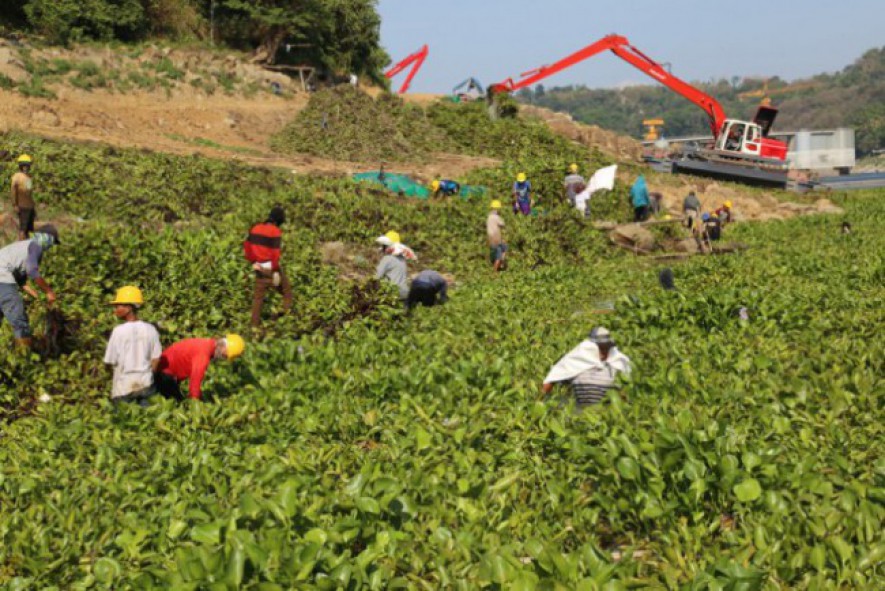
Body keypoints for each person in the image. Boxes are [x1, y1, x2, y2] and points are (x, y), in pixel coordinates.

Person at [541, 327, 632, 411]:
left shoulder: (616, 364)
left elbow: (626, 390)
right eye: (601, 348)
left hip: (607, 412)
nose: (604, 352)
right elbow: (552, 378)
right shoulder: (576, 362)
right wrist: (541, 402)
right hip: (581, 412)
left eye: (606, 348)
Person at [0, 224, 59, 348]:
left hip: (3, 277)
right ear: (47, 238)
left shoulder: (24, 247)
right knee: (19, 318)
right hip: (2, 275)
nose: (51, 246)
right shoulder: (35, 246)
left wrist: (35, 296)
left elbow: (21, 282)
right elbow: (32, 271)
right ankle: (24, 358)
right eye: (52, 242)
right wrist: (48, 291)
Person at [103, 286, 162, 406]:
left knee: (124, 422)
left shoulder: (118, 331)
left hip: (124, 387)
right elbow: (156, 359)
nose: (116, 309)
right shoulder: (151, 329)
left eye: (118, 305)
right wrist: (149, 375)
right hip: (146, 384)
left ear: (129, 307)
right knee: (149, 421)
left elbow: (109, 361)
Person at [155, 335, 245, 401]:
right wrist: (195, 405)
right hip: (164, 373)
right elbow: (195, 381)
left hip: (166, 370)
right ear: (223, 347)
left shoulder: (208, 343)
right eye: (225, 355)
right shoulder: (203, 355)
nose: (223, 358)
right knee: (177, 405)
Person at [244, 206, 293, 327]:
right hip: (270, 268)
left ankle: (254, 327)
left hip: (258, 267)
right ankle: (283, 319)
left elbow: (247, 246)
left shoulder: (255, 228)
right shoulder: (275, 231)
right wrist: (275, 271)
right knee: (286, 292)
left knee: (258, 299)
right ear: (278, 221)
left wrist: (252, 262)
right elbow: (275, 254)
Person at [375, 231, 411, 300]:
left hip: (393, 293)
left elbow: (377, 277)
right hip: (405, 293)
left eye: (383, 246)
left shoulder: (387, 259)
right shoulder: (402, 258)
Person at [11, 154, 36, 240]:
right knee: (23, 228)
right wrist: (15, 204)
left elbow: (29, 192)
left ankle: (28, 244)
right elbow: (13, 191)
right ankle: (20, 244)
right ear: (20, 166)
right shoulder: (16, 176)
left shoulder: (28, 177)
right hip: (23, 206)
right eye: (24, 166)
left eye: (27, 166)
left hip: (30, 206)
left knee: (29, 228)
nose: (25, 168)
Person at [487, 200, 507, 272]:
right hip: (496, 240)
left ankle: (502, 262)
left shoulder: (489, 217)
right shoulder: (496, 217)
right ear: (496, 209)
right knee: (498, 257)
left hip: (491, 239)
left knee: (504, 247)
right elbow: (503, 224)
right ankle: (494, 273)